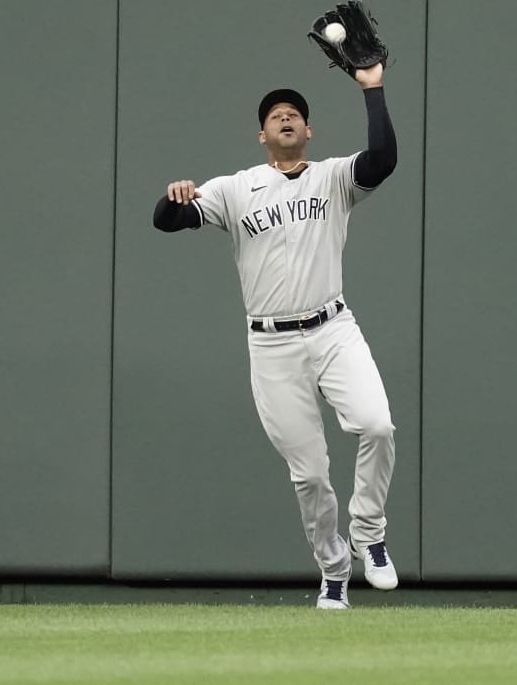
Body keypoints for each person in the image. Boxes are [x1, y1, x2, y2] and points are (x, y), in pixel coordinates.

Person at [153, 62, 397, 610]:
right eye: (274, 115)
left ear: (308, 132)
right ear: (262, 135)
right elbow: (165, 222)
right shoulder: (236, 189)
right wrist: (174, 196)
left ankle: (370, 532)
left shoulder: (333, 178)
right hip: (272, 345)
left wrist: (373, 89)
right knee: (309, 475)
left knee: (377, 425)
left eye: (294, 114)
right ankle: (333, 571)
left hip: (333, 327)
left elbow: (383, 159)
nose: (285, 116)